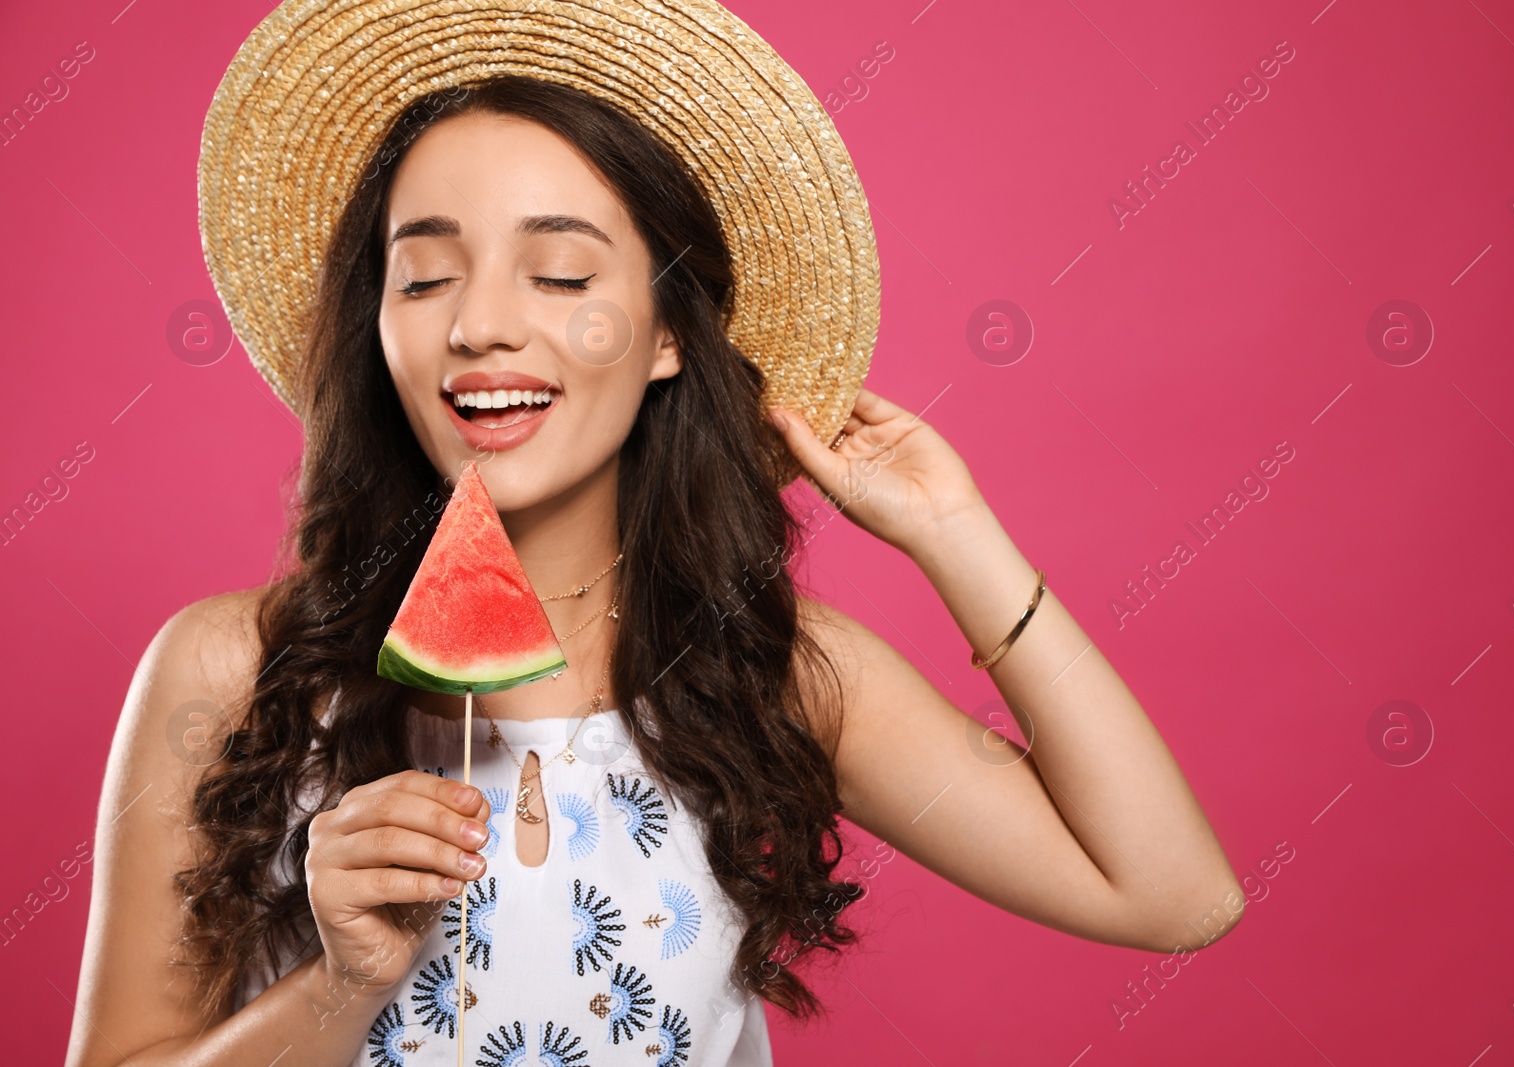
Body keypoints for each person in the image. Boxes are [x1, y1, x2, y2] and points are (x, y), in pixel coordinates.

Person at [66, 4, 1243, 1067]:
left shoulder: (772, 672)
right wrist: (346, 982)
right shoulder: (233, 671)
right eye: (423, 279)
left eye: (562, 272)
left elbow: (1172, 895)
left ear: (670, 332)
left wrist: (954, 532)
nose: (480, 322)